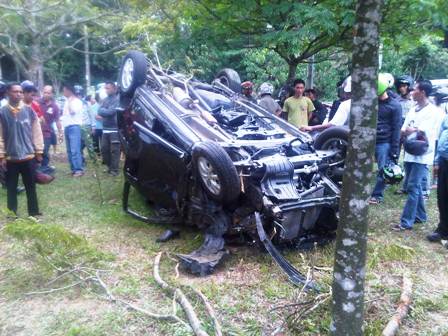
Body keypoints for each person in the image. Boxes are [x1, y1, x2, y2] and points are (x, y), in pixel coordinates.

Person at [393, 80, 444, 231]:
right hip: (409, 151)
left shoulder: (435, 112)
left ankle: (406, 222)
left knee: (413, 186)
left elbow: (423, 132)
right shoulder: (413, 109)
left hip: (423, 155)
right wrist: (413, 130)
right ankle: (420, 216)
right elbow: (404, 129)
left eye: (414, 89)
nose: (411, 92)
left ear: (422, 92)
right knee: (415, 186)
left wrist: (414, 130)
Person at [0, 83, 44, 217]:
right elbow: (0, 134)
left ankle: (34, 212)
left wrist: (39, 151)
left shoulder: (29, 111)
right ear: (8, 92)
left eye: (20, 92)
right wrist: (1, 155)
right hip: (11, 157)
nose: (18, 94)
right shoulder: (2, 112)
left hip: (29, 156)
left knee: (31, 187)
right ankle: (12, 213)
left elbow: (37, 131)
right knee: (11, 188)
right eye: (15, 91)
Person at [369, 74, 403, 204]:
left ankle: (377, 195)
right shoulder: (371, 104)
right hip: (369, 140)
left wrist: (394, 151)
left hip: (384, 142)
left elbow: (396, 129)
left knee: (383, 169)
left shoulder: (394, 106)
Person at [427, 113, 448, 242]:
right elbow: (441, 136)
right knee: (443, 197)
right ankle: (443, 230)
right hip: (444, 160)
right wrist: (436, 161)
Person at [61, 83, 84, 177]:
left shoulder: (77, 101)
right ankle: (73, 169)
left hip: (74, 127)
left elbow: (72, 112)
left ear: (68, 91)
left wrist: (70, 102)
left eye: (64, 90)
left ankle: (79, 170)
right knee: (69, 150)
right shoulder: (67, 101)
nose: (63, 92)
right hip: (67, 127)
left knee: (75, 149)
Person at [38, 85, 62, 174]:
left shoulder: (55, 106)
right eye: (45, 92)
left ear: (52, 94)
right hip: (35, 132)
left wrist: (60, 132)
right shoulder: (37, 102)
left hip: (47, 132)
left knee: (45, 150)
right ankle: (35, 169)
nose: (46, 94)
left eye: (48, 93)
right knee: (35, 150)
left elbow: (57, 120)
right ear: (42, 92)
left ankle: (44, 168)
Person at [98, 82, 120, 176]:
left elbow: (111, 112)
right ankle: (109, 167)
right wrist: (105, 111)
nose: (106, 90)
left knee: (115, 151)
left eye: (108, 88)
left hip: (114, 129)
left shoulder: (118, 99)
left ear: (114, 89)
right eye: (106, 88)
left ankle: (114, 170)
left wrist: (104, 111)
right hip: (105, 129)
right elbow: (99, 110)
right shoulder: (105, 100)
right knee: (104, 149)